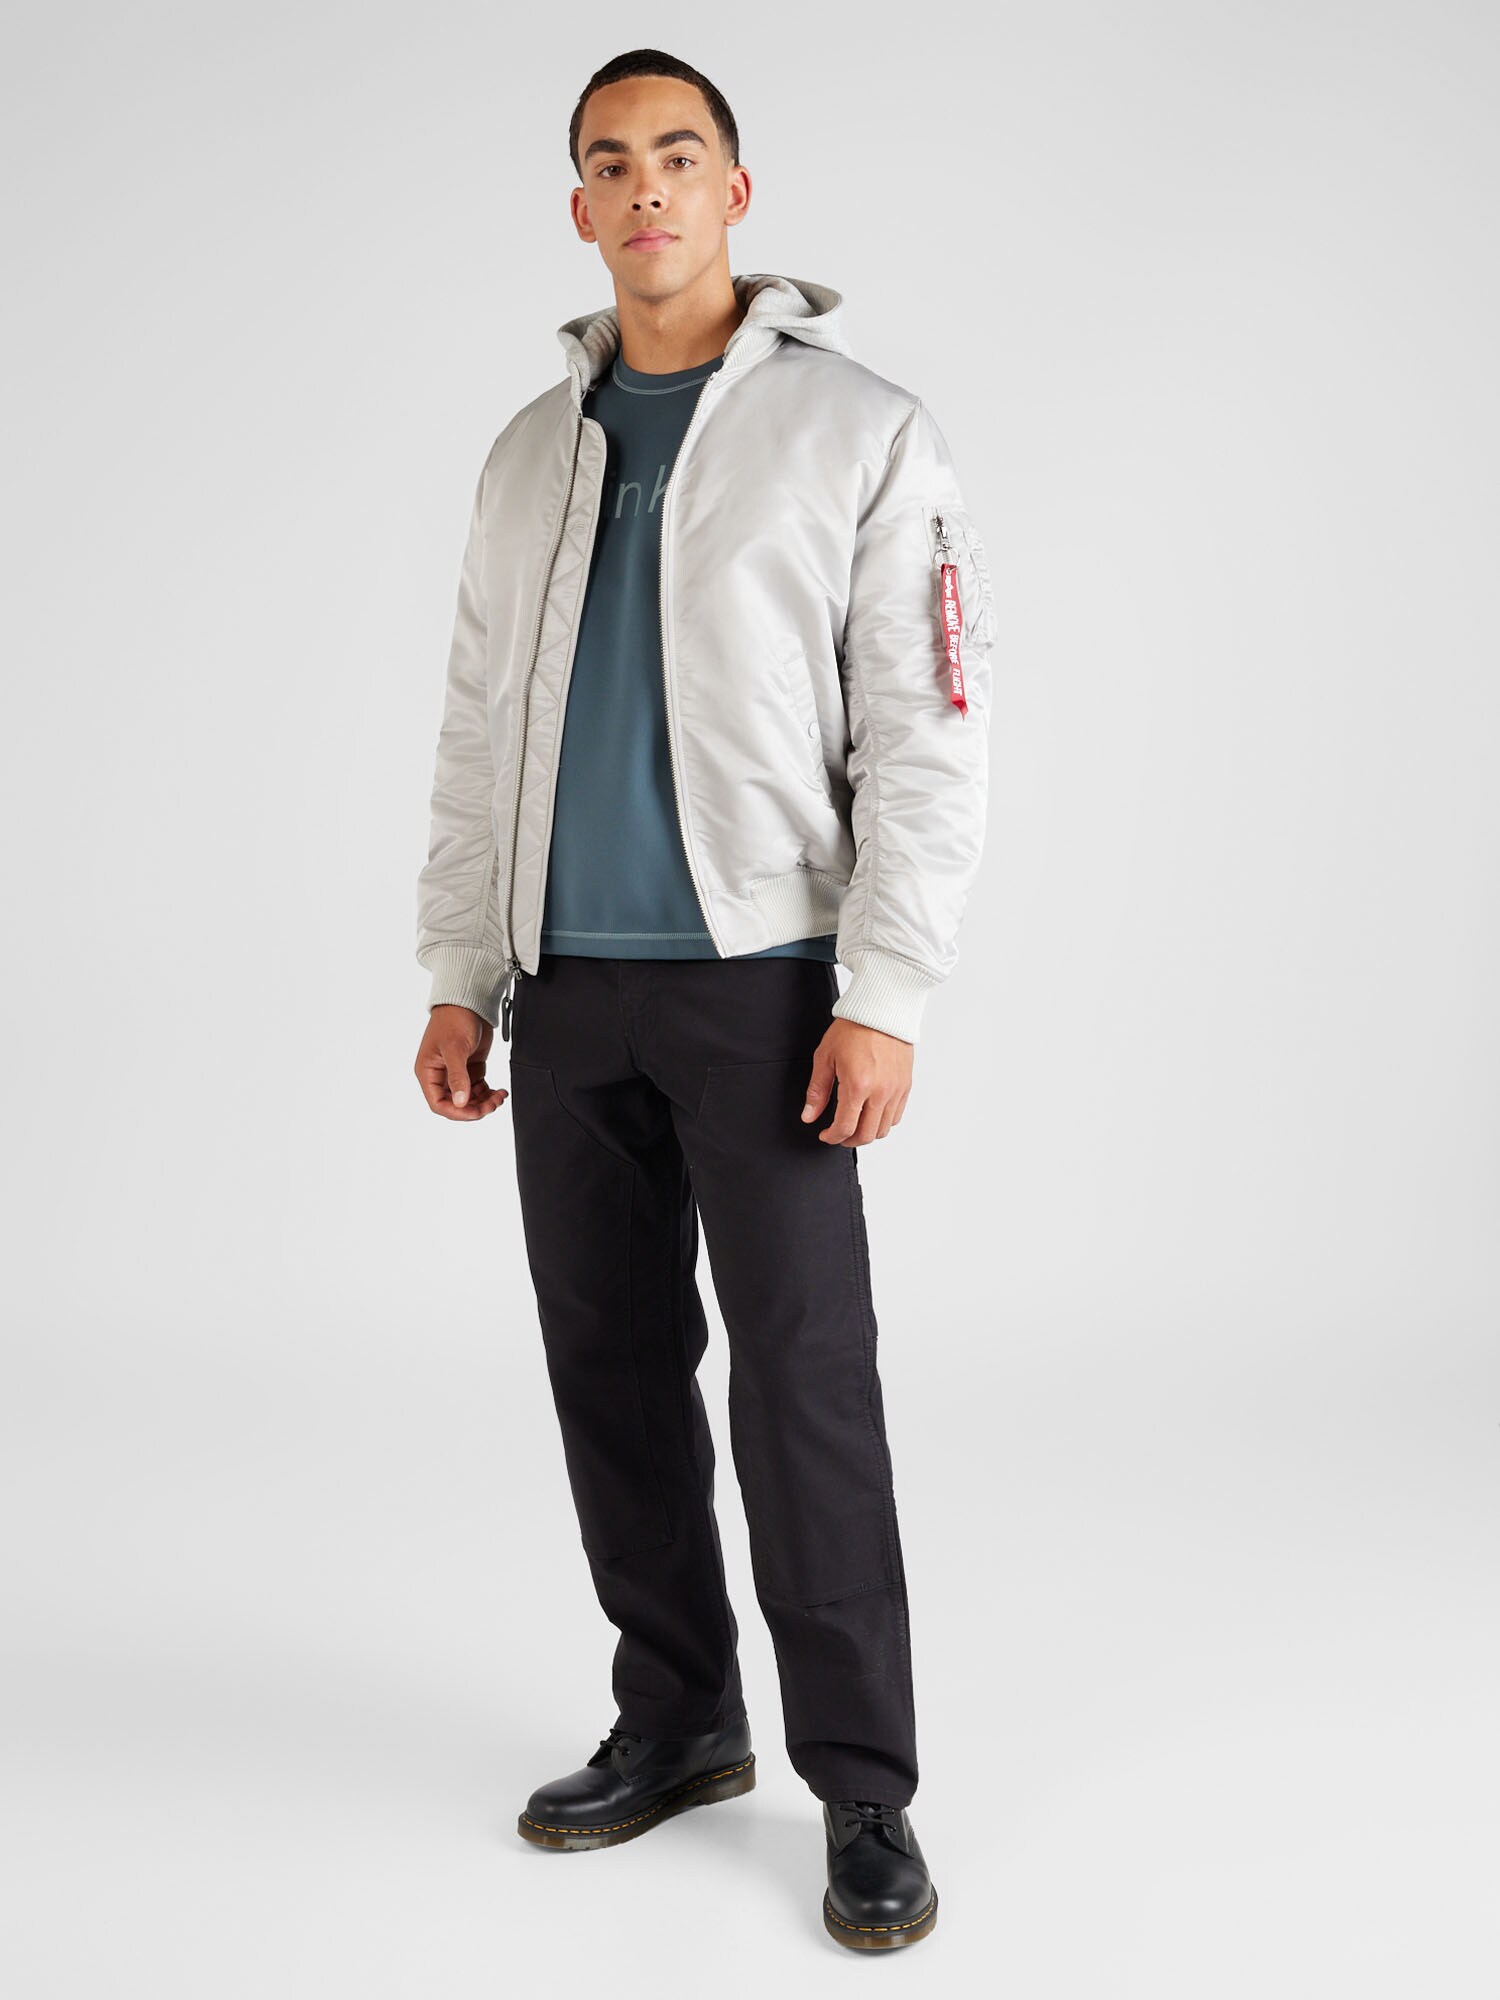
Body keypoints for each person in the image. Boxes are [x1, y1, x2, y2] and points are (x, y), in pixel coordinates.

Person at [412, 46, 993, 1953]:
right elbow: (479, 726)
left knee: (803, 1385)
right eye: (611, 161)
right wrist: (461, 971)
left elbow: (927, 730)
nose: (645, 186)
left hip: (768, 992)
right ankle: (676, 1718)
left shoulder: (861, 431)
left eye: (679, 154)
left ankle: (868, 1793)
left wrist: (886, 989)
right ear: (580, 206)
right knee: (611, 1373)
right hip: (567, 991)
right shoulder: (530, 451)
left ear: (736, 192)